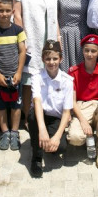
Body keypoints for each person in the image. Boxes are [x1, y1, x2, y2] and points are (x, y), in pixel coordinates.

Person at [14, 0, 59, 121]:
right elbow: (17, 14)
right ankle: (27, 117)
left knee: (46, 79)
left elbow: (54, 17)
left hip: (49, 41)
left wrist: (58, 38)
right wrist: (23, 39)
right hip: (31, 39)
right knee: (28, 82)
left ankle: (45, 114)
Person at [67, 34, 98, 169]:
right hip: (81, 106)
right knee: (75, 139)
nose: (89, 54)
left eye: (93, 51)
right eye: (86, 50)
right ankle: (89, 135)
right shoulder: (73, 71)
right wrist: (83, 121)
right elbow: (72, 101)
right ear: (82, 51)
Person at [0, 0, 27, 151]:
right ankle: (4, 132)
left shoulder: (18, 30)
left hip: (15, 75)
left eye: (7, 10)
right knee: (0, 105)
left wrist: (19, 72)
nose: (4, 13)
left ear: (13, 11)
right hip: (0, 76)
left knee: (16, 105)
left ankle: (14, 132)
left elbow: (22, 51)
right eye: (1, 10)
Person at [28, 40, 73, 178]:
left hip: (56, 118)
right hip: (40, 114)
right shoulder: (37, 77)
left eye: (55, 58)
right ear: (43, 59)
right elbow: (37, 101)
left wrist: (57, 137)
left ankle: (46, 140)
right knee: (32, 117)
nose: (51, 62)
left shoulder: (67, 81)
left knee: (60, 147)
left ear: (61, 59)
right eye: (48, 59)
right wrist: (41, 130)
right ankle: (36, 157)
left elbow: (66, 112)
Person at [56, 0, 90, 71]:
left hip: (82, 34)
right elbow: (54, 17)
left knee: (82, 70)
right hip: (64, 35)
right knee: (66, 70)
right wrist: (58, 37)